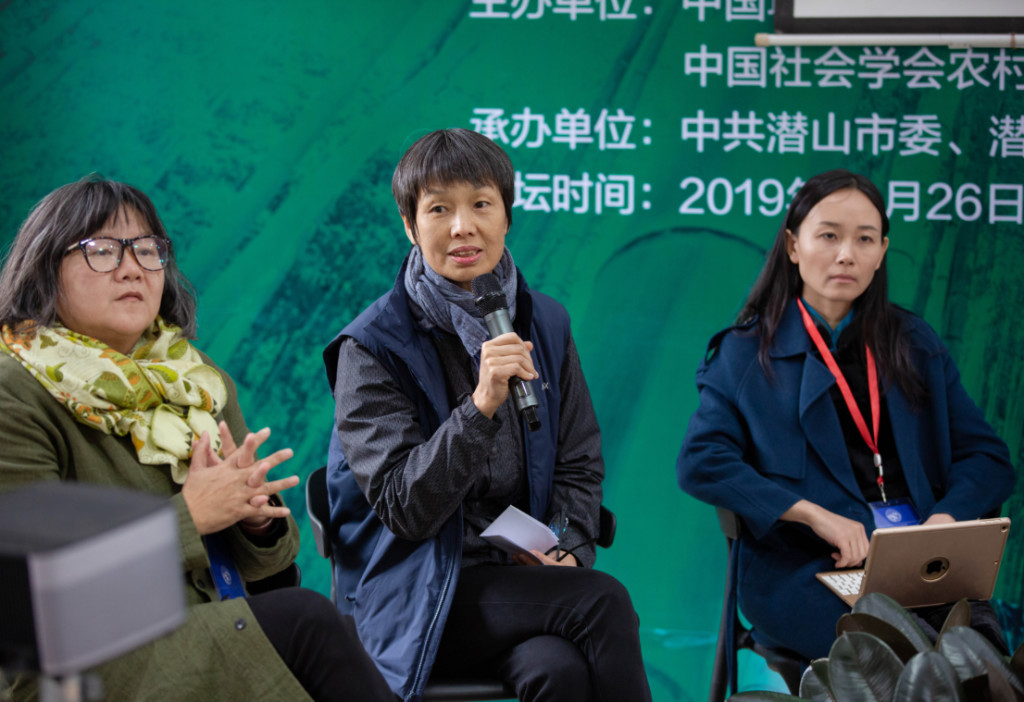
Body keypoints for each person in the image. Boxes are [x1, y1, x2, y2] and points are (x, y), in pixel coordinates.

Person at [0, 176, 394, 702]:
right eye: (102, 249)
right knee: (305, 623)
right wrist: (190, 517)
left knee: (311, 624)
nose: (132, 268)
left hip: (205, 623)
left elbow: (273, 571)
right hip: (83, 659)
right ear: (45, 268)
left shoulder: (193, 378)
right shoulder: (14, 390)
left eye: (147, 250)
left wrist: (254, 521)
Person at [324, 128, 652, 702]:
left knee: (559, 671)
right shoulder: (371, 347)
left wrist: (565, 548)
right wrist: (480, 408)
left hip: (522, 583)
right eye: (439, 209)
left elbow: (578, 461)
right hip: (418, 590)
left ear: (506, 216)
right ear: (409, 225)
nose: (463, 227)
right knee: (601, 601)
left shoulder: (543, 322)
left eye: (481, 204)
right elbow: (404, 508)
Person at [677, 169, 1015, 661]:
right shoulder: (746, 353)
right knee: (907, 657)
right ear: (793, 245)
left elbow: (987, 457)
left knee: (979, 653)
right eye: (829, 236)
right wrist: (814, 516)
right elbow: (702, 462)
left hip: (918, 566)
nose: (846, 255)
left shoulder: (914, 344)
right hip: (806, 570)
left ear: (882, 252)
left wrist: (944, 522)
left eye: (865, 239)